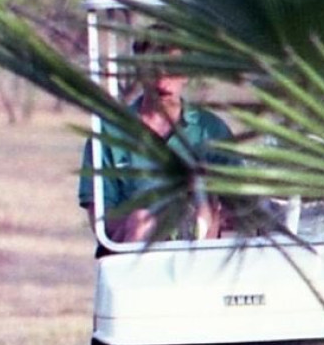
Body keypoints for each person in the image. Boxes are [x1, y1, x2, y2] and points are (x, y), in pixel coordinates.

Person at [78, 35, 233, 243]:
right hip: (133, 248)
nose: (162, 82)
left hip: (200, 250)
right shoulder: (109, 133)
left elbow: (239, 205)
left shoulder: (211, 130)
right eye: (153, 71)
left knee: (204, 209)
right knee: (142, 221)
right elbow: (101, 219)